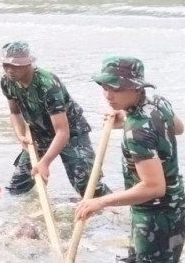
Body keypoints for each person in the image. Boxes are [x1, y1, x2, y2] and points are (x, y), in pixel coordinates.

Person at [76, 57, 185, 263]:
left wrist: (100, 202)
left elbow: (154, 187)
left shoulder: (137, 133)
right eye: (105, 88)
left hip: (155, 216)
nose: (108, 96)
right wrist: (127, 118)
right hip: (175, 205)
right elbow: (178, 128)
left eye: (116, 89)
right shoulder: (159, 102)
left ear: (136, 88)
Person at [0, 41, 110, 197]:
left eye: (15, 66)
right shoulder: (7, 81)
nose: (10, 70)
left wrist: (45, 163)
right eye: (6, 65)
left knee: (88, 186)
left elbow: (62, 132)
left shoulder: (47, 85)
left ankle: (114, 206)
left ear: (28, 63)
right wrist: (20, 136)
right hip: (40, 132)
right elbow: (15, 113)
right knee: (17, 186)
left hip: (71, 133)